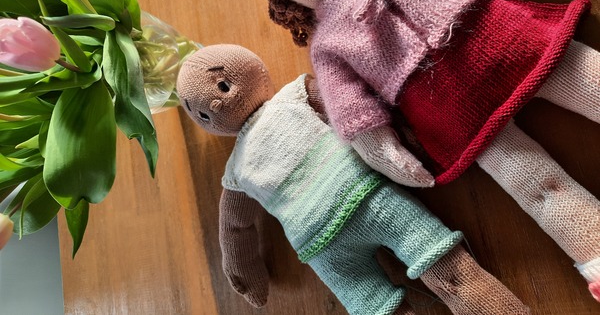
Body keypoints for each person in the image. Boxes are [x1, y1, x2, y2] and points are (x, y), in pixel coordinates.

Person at [250, 0, 600, 300]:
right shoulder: (327, 44)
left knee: (590, 81)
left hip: (512, 42)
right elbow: (350, 110)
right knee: (538, 186)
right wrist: (384, 150)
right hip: (454, 111)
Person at [176, 44, 530, 315]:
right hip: (363, 207)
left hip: (339, 230)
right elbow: (234, 227)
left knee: (401, 296)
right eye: (203, 113)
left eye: (223, 85)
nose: (217, 106)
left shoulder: (285, 109)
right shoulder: (243, 162)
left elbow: (235, 228)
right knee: (449, 275)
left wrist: (242, 270)